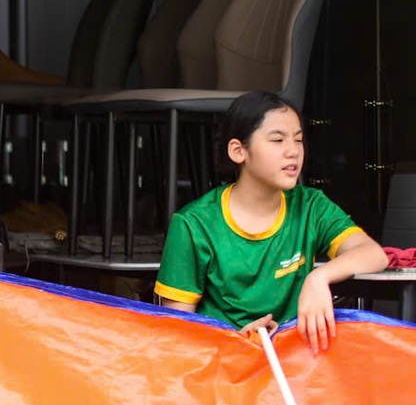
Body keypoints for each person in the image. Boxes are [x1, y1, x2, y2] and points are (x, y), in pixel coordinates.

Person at [154, 91, 386, 352]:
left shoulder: (310, 206)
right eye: (277, 140)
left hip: (295, 363)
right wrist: (239, 341)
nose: (293, 151)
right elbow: (177, 336)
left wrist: (318, 277)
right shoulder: (194, 224)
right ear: (238, 151)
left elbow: (373, 253)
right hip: (223, 365)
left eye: (298, 140)